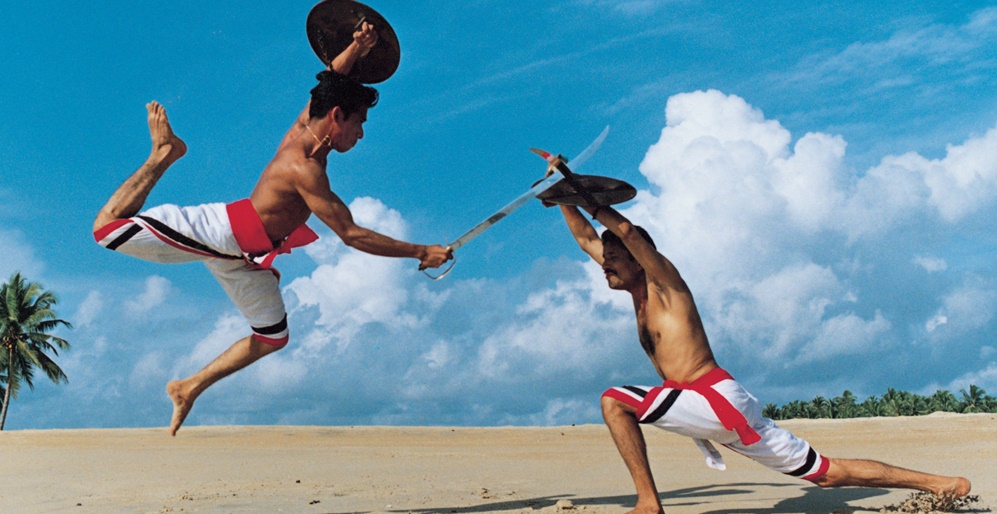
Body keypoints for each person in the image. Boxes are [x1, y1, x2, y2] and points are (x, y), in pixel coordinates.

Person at [93, 23, 451, 436]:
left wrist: (356, 46)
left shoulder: (311, 126)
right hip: (221, 232)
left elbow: (327, 85)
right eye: (359, 122)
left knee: (271, 335)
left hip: (246, 259)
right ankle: (163, 155)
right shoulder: (304, 168)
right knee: (107, 231)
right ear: (337, 117)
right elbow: (351, 234)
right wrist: (421, 251)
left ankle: (188, 387)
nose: (361, 133)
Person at [554, 200, 971, 514]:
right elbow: (588, 238)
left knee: (614, 400)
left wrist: (589, 197)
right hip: (717, 403)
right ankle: (942, 483)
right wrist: (561, 196)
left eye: (611, 261)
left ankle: (648, 502)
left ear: (637, 260)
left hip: (712, 398)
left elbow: (625, 231)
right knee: (827, 474)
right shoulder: (635, 291)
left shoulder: (667, 285)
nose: (603, 266)